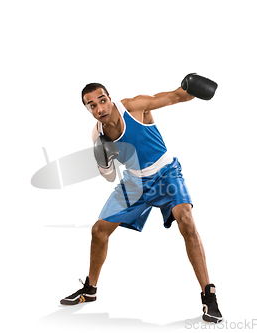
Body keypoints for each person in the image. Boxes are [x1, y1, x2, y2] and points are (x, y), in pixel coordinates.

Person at [60, 74, 222, 323]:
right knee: (99, 230)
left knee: (186, 219)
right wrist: (103, 163)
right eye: (92, 105)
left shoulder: (134, 107)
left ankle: (208, 295)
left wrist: (189, 88)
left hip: (166, 172)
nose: (100, 108)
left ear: (109, 98)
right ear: (88, 109)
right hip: (135, 182)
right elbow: (109, 176)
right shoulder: (98, 134)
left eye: (102, 100)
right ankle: (90, 289)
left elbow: (174, 97)